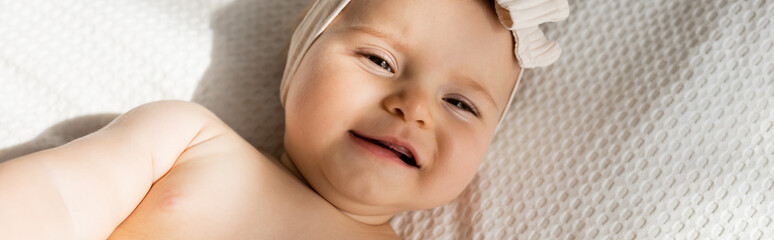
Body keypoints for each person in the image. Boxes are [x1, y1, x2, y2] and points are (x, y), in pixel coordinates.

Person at [0, 0, 568, 238]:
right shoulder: (185, 141)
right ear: (299, 61)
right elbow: (52, 199)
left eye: (461, 104)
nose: (413, 108)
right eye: (379, 60)